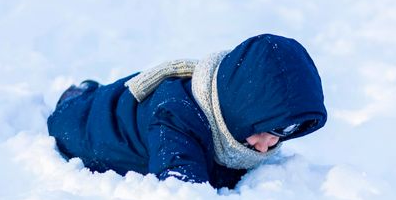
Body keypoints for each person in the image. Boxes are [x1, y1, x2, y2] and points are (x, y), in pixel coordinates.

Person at [47, 34, 327, 189]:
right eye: (261, 130)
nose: (267, 146)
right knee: (75, 114)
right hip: (86, 128)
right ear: (239, 109)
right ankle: (75, 96)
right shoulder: (176, 122)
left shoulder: (219, 102)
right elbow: (182, 189)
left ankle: (86, 91)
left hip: (134, 106)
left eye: (283, 132)